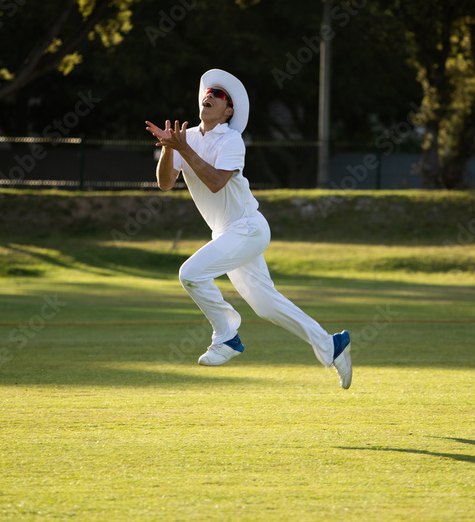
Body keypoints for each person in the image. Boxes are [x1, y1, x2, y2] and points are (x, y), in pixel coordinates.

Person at [145, 68, 352, 389]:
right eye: (208, 92)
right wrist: (169, 147)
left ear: (228, 111)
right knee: (266, 305)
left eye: (220, 95)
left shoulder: (232, 139)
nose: (211, 95)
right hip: (227, 234)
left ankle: (226, 336)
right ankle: (331, 344)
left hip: (247, 228)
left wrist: (182, 148)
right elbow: (165, 184)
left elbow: (215, 182)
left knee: (190, 274)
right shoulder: (185, 140)